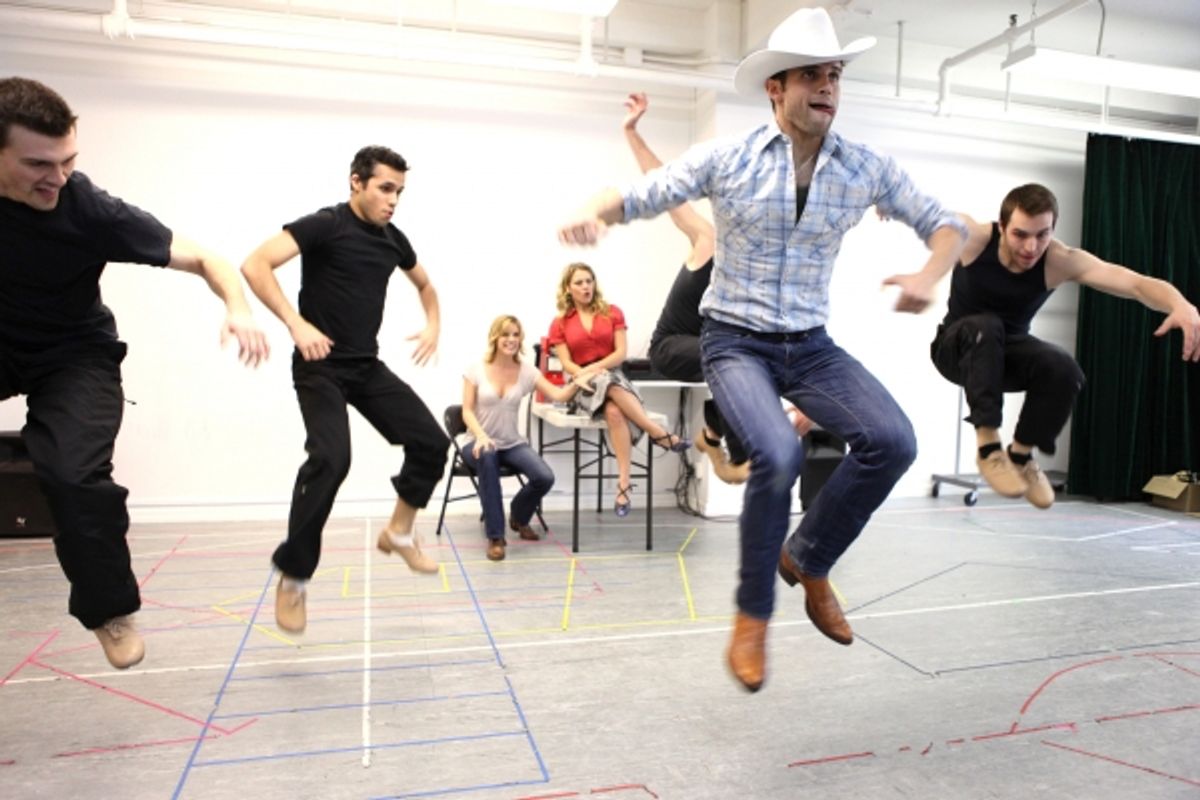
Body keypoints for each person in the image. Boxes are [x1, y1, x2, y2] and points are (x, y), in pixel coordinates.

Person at [558, 8, 967, 692]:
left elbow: (946, 224)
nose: (827, 86)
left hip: (810, 345)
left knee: (894, 440)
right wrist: (593, 215)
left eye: (834, 74)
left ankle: (809, 559)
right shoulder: (730, 157)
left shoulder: (862, 168)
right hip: (735, 341)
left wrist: (929, 276)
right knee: (777, 452)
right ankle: (753, 617)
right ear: (776, 88)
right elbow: (642, 193)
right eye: (812, 74)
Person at [0, 77, 270, 669]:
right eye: (38, 164)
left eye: (69, 160)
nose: (58, 177)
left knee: (74, 478)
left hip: (73, 354)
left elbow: (206, 257)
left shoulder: (87, 208)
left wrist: (238, 306)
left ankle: (106, 608)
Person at [241, 145, 449, 635]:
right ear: (356, 182)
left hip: (364, 366)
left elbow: (426, 285)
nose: (393, 200)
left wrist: (433, 325)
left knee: (433, 443)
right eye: (384, 188)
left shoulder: (393, 239)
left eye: (399, 191)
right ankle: (293, 577)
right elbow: (255, 264)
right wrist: (296, 325)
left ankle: (399, 531)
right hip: (320, 367)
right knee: (331, 460)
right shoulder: (325, 224)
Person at [932, 183, 1200, 507]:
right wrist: (891, 200)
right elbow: (930, 214)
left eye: (1042, 235)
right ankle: (988, 447)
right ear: (1002, 227)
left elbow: (1136, 284)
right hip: (956, 349)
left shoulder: (1059, 260)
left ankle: (1020, 456)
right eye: (1020, 235)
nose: (1031, 247)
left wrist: (1180, 304)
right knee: (986, 326)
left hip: (1007, 355)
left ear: (1052, 229)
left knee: (1063, 367)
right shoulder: (975, 238)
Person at [625, 92, 813, 485]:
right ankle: (741, 450)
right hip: (671, 346)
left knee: (751, 354)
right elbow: (663, 184)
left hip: (714, 351)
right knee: (741, 355)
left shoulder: (759, 270)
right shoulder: (706, 239)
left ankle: (713, 430)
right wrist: (632, 132)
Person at [548, 262, 690, 518]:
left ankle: (623, 484)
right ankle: (657, 433)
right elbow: (567, 363)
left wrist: (598, 368)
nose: (585, 286)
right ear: (568, 289)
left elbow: (621, 353)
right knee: (606, 384)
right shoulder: (560, 323)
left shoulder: (612, 313)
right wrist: (589, 372)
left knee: (614, 411)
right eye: (579, 283)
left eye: (589, 281)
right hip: (582, 383)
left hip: (613, 376)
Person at [461, 315, 585, 561]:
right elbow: (466, 410)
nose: (511, 340)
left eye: (516, 335)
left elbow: (558, 395)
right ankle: (496, 536)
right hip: (477, 442)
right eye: (506, 334)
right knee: (488, 457)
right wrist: (482, 436)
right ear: (495, 337)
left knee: (544, 477)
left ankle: (518, 516)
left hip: (511, 443)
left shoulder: (527, 371)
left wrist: (578, 383)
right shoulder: (475, 369)